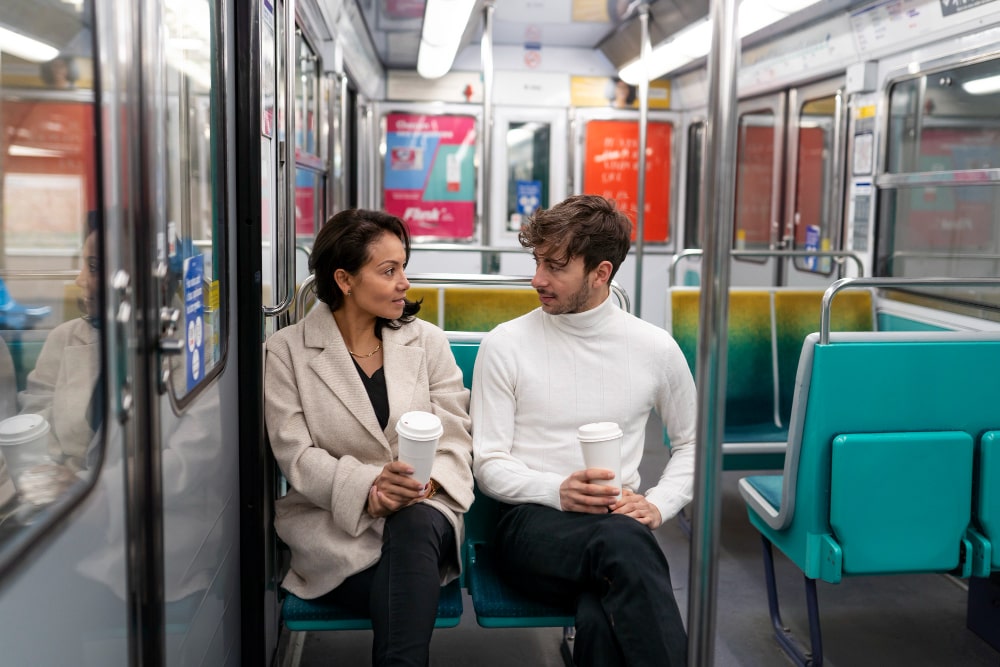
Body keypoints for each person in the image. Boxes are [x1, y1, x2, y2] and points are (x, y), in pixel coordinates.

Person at [471, 194, 696, 666]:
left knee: (600, 614)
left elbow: (695, 444)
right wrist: (559, 490)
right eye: (537, 262)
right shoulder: (506, 345)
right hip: (529, 524)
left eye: (555, 267)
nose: (537, 280)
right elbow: (488, 463)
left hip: (618, 529)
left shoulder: (654, 348)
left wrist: (657, 505)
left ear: (601, 273)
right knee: (623, 547)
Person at [264, 208, 474, 666]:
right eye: (388, 270)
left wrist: (424, 487)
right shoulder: (286, 353)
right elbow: (296, 455)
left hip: (425, 512)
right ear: (344, 279)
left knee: (414, 525)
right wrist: (369, 492)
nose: (405, 282)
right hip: (338, 528)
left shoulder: (428, 343)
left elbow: (456, 436)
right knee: (403, 585)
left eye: (404, 267)